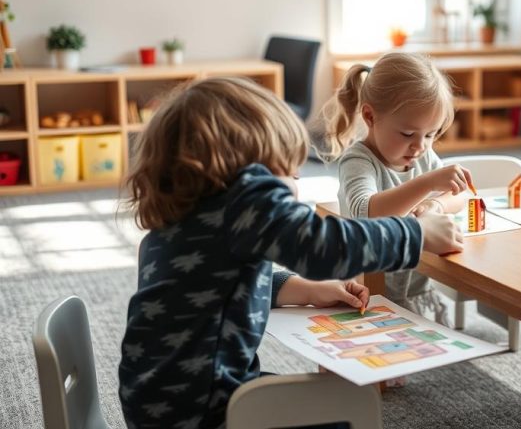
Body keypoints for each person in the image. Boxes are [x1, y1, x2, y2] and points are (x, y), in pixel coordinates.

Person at [118, 77, 461, 429]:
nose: (296, 182)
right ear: (253, 171)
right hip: (206, 409)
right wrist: (416, 233)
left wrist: (308, 290)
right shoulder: (246, 196)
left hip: (157, 402)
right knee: (346, 406)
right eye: (289, 171)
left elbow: (222, 283)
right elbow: (323, 246)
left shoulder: (184, 216)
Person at [325, 52, 473, 325]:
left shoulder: (421, 155)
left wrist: (435, 205)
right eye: (407, 134)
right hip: (366, 294)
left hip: (416, 289)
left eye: (430, 135)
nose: (420, 146)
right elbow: (365, 213)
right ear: (370, 116)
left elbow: (461, 192)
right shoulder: (358, 160)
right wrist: (427, 183)